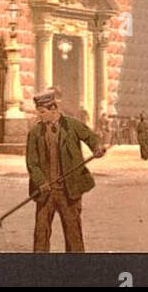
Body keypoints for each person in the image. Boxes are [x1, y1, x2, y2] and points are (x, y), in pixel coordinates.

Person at [25, 88, 106, 253]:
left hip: (69, 191)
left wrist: (97, 147)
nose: (39, 116)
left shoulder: (72, 125)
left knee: (73, 234)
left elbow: (91, 137)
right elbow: (32, 163)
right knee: (41, 234)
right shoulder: (34, 133)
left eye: (42, 112)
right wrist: (41, 182)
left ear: (53, 109)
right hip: (45, 192)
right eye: (38, 112)